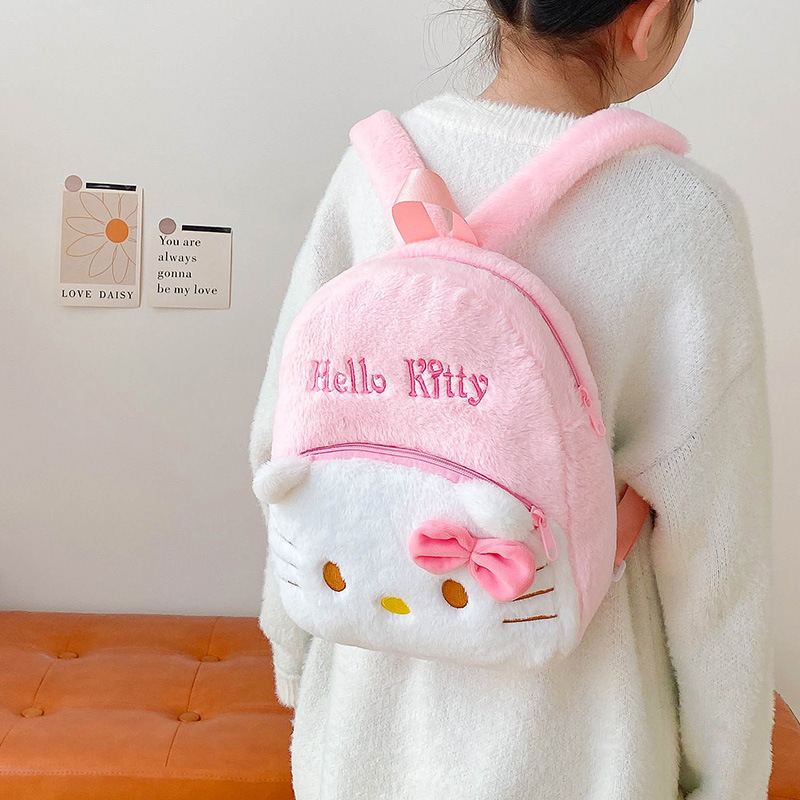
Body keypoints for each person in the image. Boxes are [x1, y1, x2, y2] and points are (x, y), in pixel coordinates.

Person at [249, 1, 775, 797]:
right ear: (648, 20)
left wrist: (293, 652)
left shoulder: (370, 171)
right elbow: (717, 557)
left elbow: (284, 444)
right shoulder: (685, 219)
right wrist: (726, 774)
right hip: (579, 739)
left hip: (366, 723)